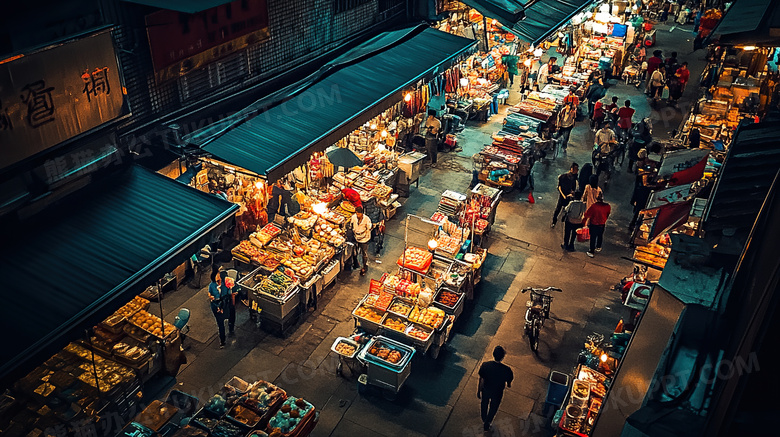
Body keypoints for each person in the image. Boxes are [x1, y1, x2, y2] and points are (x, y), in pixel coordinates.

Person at [477, 346, 513, 432]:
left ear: (493, 354)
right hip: (497, 392)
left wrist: (479, 391)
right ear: (502, 357)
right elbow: (509, 381)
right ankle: (488, 421)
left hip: (486, 390)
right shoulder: (506, 370)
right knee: (494, 407)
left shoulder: (485, 366)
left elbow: (482, 380)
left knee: (484, 403)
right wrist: (508, 384)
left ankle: (484, 418)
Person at [583, 192, 611, 257]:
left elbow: (587, 214)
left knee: (593, 237)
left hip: (594, 224)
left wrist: (584, 222)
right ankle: (598, 247)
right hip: (602, 224)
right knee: (600, 235)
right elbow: (608, 214)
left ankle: (591, 251)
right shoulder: (607, 206)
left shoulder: (594, 206)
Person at [208, 270, 231, 348]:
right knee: (220, 324)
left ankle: (231, 327)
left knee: (228, 316)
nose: (218, 277)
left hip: (224, 304)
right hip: (215, 305)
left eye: (219, 275)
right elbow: (209, 292)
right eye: (217, 275)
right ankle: (222, 340)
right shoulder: (212, 285)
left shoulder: (225, 283)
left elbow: (229, 292)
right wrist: (211, 297)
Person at [551, 163, 578, 228]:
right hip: (563, 196)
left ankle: (563, 219)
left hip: (568, 196)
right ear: (571, 169)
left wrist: (571, 194)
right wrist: (563, 195)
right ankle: (554, 221)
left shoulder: (574, 177)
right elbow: (559, 187)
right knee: (558, 209)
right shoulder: (563, 177)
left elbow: (573, 188)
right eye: (575, 169)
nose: (576, 171)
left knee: (567, 210)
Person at [349, 206, 373, 275]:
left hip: (364, 239)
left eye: (359, 214)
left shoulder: (366, 219)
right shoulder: (353, 217)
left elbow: (369, 227)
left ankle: (364, 267)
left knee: (364, 253)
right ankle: (356, 264)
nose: (358, 215)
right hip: (356, 237)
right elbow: (352, 224)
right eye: (357, 213)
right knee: (355, 251)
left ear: (362, 213)